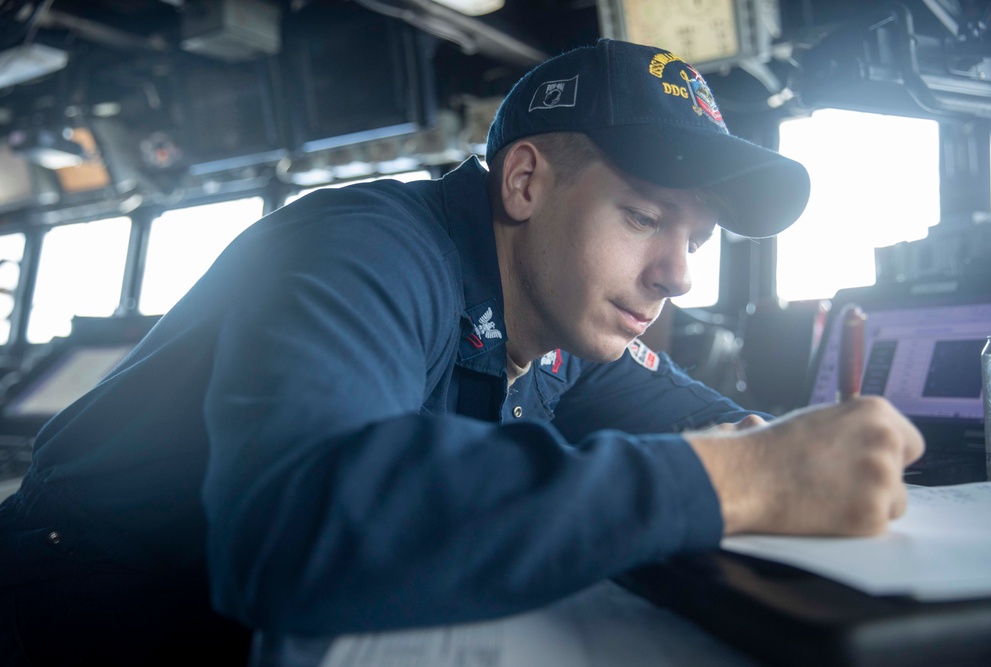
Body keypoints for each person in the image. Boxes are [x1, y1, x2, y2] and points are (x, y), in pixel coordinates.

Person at [0, 39, 924, 665]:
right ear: (524, 180)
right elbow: (296, 523)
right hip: (81, 615)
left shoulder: (569, 325)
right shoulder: (364, 246)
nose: (676, 274)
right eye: (645, 216)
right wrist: (738, 480)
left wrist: (793, 447)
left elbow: (700, 419)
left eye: (699, 238)